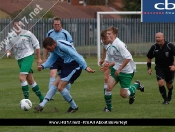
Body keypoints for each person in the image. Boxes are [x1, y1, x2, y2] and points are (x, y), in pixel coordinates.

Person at [34, 37, 95, 113]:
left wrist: (85, 67)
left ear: (53, 44)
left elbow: (76, 55)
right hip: (67, 66)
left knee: (60, 87)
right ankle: (41, 105)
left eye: (49, 48)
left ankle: (74, 106)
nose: (48, 50)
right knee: (55, 84)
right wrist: (43, 66)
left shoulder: (62, 46)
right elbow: (51, 59)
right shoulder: (54, 49)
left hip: (75, 66)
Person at [102, 26, 144, 112]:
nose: (107, 35)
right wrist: (106, 63)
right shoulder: (109, 45)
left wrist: (120, 69)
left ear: (115, 35)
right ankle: (109, 108)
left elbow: (128, 57)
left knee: (123, 95)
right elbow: (109, 57)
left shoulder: (119, 44)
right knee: (108, 87)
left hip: (126, 71)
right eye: (107, 34)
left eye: (109, 34)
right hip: (116, 68)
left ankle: (136, 85)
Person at [6, 18, 44, 102]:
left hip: (28, 56)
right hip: (19, 59)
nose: (17, 26)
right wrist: (8, 53)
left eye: (19, 25)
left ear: (21, 25)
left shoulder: (28, 33)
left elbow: (37, 45)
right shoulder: (10, 36)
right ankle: (41, 98)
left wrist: (38, 58)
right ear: (13, 26)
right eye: (15, 25)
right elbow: (8, 47)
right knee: (30, 80)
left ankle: (26, 100)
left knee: (22, 78)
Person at [44, 17, 73, 92]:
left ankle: (67, 92)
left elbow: (71, 45)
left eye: (58, 24)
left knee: (63, 76)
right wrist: (44, 58)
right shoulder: (50, 33)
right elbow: (46, 46)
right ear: (53, 25)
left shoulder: (65, 33)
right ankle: (50, 94)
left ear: (61, 25)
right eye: (55, 24)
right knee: (52, 73)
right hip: (54, 57)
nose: (56, 26)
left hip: (64, 58)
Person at [147, 32, 175, 104]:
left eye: (159, 37)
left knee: (169, 85)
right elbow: (149, 57)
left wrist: (174, 66)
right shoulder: (154, 47)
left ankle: (170, 92)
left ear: (163, 38)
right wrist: (149, 68)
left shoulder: (170, 46)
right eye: (156, 37)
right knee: (160, 83)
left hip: (169, 68)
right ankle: (165, 100)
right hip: (159, 68)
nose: (157, 39)